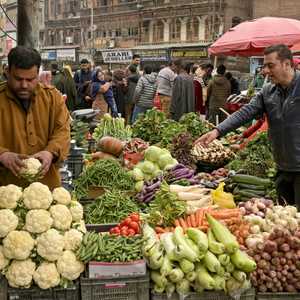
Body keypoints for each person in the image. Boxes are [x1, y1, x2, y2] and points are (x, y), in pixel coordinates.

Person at [195, 44, 300, 209]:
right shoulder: (268, 91)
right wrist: (217, 130)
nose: (265, 70)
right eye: (264, 65)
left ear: (287, 64)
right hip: (282, 167)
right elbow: (245, 112)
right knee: (287, 220)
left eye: (270, 65)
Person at [0, 46, 70, 189]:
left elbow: (63, 131)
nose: (24, 85)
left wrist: (50, 152)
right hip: (5, 189)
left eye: (30, 79)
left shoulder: (53, 97)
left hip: (47, 187)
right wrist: (2, 155)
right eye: (18, 79)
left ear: (38, 74)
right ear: (7, 73)